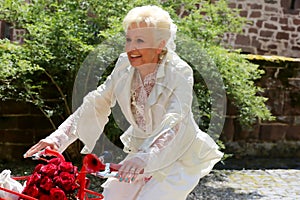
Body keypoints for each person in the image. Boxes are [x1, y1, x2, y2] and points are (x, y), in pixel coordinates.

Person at [24, 5, 223, 200]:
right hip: (140, 151)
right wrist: (57, 139)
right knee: (113, 195)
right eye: (128, 40)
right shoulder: (123, 65)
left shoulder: (180, 71)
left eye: (140, 40)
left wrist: (145, 157)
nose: (131, 48)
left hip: (177, 155)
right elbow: (97, 102)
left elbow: (175, 121)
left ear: (160, 45)